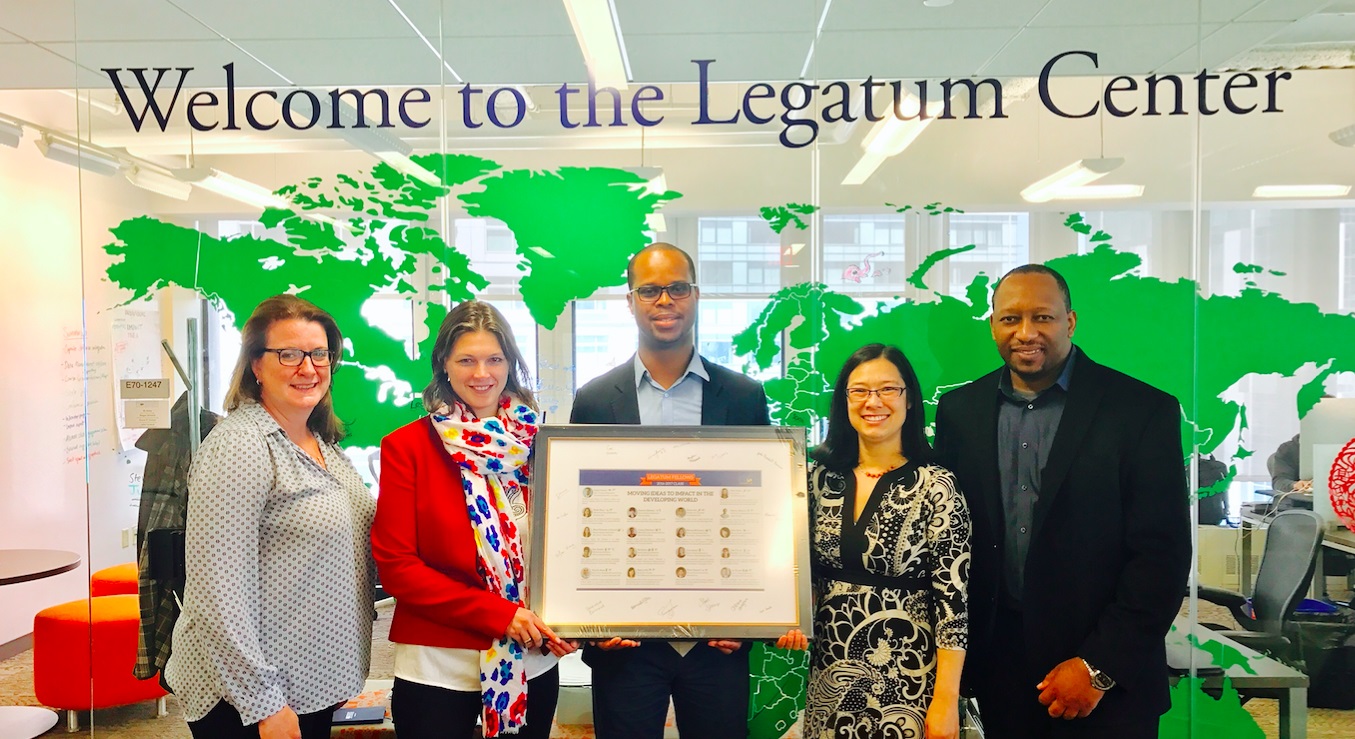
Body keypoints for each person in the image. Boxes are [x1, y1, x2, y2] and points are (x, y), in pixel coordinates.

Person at [934, 264, 1191, 738]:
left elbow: (1162, 556)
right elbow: (951, 541)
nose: (1025, 332)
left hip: (1106, 685)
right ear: (992, 325)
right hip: (1001, 677)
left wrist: (1098, 667)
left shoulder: (1140, 410)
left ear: (1070, 322)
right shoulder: (959, 412)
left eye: (1042, 317)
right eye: (1010, 318)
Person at [570, 242, 771, 739]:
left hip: (718, 640)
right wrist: (591, 627)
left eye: (677, 288)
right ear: (630, 301)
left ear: (696, 295)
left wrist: (750, 621)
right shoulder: (595, 399)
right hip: (625, 643)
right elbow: (578, 517)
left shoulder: (743, 397)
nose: (665, 301)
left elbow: (761, 515)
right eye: (650, 290)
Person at [165, 294, 375, 739]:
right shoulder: (240, 446)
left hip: (307, 683)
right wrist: (263, 703)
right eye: (289, 354)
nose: (308, 368)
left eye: (319, 354)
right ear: (256, 365)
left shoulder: (318, 440)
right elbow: (216, 592)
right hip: (247, 700)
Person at [371, 300, 575, 739]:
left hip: (531, 662)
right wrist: (501, 615)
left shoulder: (540, 446)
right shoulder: (408, 449)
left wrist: (567, 620)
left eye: (494, 359)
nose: (482, 373)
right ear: (444, 365)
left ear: (510, 364)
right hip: (438, 669)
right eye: (467, 360)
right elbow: (398, 568)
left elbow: (564, 549)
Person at [778, 343, 970, 739]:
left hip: (908, 686)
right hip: (830, 681)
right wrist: (788, 616)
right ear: (844, 401)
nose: (873, 402)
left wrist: (946, 701)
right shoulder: (815, 479)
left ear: (909, 399)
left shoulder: (938, 486)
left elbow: (953, 604)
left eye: (888, 389)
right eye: (860, 391)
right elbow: (800, 572)